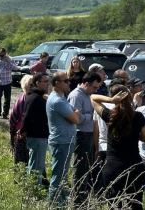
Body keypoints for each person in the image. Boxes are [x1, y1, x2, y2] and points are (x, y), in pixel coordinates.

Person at [91, 85, 145, 210]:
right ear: (130, 98)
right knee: (135, 204)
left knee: (114, 205)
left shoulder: (110, 115)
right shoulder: (138, 116)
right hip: (134, 166)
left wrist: (111, 100)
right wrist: (134, 135)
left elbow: (93, 98)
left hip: (112, 167)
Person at [47, 71, 81, 204]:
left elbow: (75, 115)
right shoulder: (57, 101)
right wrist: (76, 114)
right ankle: (54, 203)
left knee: (62, 175)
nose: (69, 82)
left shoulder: (61, 98)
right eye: (66, 81)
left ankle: (59, 201)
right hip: (61, 142)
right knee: (58, 175)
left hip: (65, 140)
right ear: (57, 83)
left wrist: (75, 114)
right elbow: (76, 119)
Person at [68, 71, 102, 203]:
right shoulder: (76, 96)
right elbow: (77, 118)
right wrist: (91, 115)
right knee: (80, 169)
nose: (96, 89)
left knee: (85, 168)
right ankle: (77, 200)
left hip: (87, 134)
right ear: (86, 84)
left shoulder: (87, 95)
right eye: (94, 87)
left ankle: (82, 197)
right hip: (80, 135)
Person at [21, 72, 50, 185]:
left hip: (40, 136)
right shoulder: (34, 98)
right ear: (37, 83)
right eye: (45, 82)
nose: (48, 84)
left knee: (37, 164)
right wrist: (22, 130)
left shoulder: (37, 96)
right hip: (37, 136)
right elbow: (26, 116)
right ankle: (33, 191)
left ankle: (33, 188)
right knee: (36, 166)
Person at [0, 48, 22, 119]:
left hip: (7, 82)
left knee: (7, 98)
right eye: (0, 55)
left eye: (2, 55)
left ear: (5, 53)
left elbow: (14, 68)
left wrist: (8, 61)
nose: (1, 56)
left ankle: (5, 113)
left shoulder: (10, 59)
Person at [9, 74, 33, 165]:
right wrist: (12, 138)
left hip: (32, 135)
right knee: (21, 164)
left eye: (33, 85)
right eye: (30, 85)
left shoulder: (35, 98)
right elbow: (13, 120)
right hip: (21, 136)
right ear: (25, 86)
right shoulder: (21, 101)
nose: (32, 87)